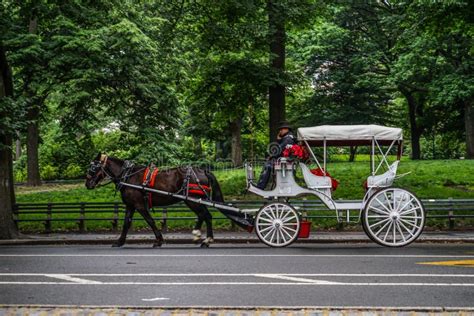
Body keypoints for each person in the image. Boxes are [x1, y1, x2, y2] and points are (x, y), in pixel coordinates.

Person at [256, 121, 296, 190]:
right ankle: (264, 186)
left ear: (286, 129)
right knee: (268, 164)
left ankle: (260, 186)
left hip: (285, 161)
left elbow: (279, 149)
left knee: (267, 166)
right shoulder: (288, 138)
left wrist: (271, 156)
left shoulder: (288, 139)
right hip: (284, 160)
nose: (280, 131)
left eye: (281, 129)